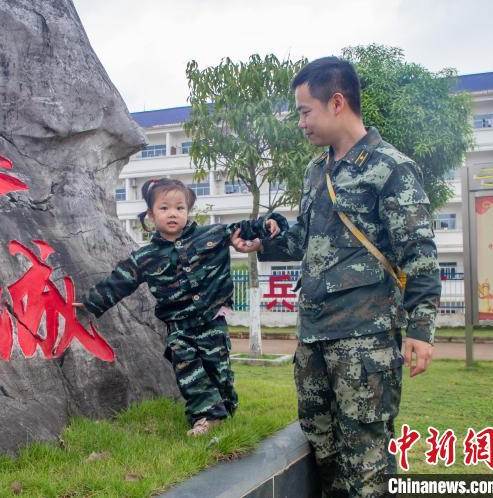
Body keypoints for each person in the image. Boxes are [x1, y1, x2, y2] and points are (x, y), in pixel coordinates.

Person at [231, 57, 441, 497]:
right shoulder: (316, 172)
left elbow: (418, 253)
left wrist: (421, 329)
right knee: (324, 451)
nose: (301, 122)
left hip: (364, 341)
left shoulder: (390, 168)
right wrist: (263, 244)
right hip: (314, 338)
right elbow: (307, 242)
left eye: (305, 111)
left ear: (338, 102)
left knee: (365, 459)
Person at [75, 178, 285, 436]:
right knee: (187, 368)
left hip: (212, 321)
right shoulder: (145, 257)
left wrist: (268, 223)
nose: (172, 213)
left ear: (188, 211)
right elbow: (118, 282)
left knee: (218, 371)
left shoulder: (213, 235)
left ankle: (224, 410)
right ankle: (205, 416)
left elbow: (244, 229)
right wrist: (88, 305)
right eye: (164, 208)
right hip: (179, 328)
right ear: (151, 215)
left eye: (179, 208)